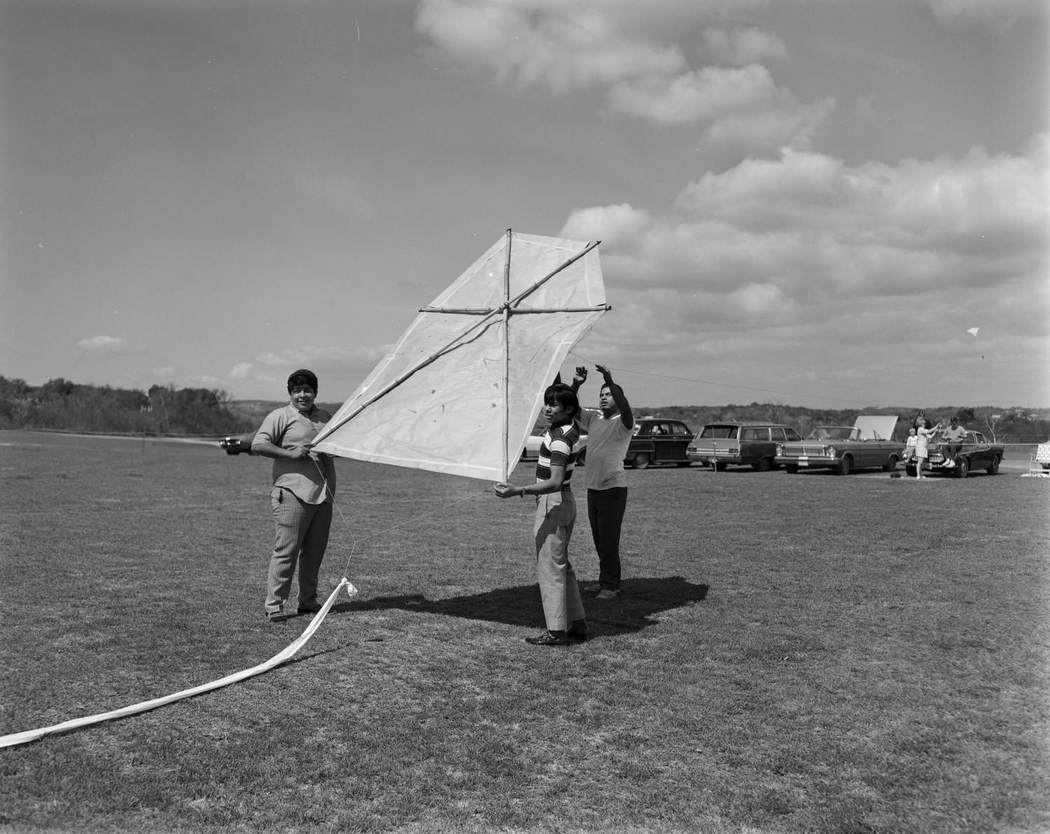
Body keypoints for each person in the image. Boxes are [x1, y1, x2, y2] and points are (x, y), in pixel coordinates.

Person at [494, 384, 587, 646]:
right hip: (564, 502)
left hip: (554, 502)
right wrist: (574, 385)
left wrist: (518, 490)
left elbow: (555, 481)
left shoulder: (559, 438)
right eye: (547, 402)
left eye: (554, 404)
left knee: (550, 568)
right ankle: (577, 623)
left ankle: (556, 631)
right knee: (562, 566)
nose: (547, 407)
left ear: (568, 409)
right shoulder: (568, 428)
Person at [251, 369, 337, 621]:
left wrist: (330, 452)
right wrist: (291, 453)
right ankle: (274, 605)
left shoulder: (325, 417)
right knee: (286, 550)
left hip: (323, 495)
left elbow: (338, 448)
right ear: (290, 393)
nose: (303, 395)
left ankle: (308, 602)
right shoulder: (280, 416)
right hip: (291, 493)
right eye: (297, 390)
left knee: (314, 552)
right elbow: (258, 444)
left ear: (315, 392)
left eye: (307, 390)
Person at [571, 364, 634, 601]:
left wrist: (609, 378)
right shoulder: (594, 417)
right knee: (599, 540)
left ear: (618, 398)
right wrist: (576, 384)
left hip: (613, 489)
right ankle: (604, 581)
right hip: (593, 488)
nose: (604, 398)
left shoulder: (624, 421)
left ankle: (611, 586)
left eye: (609, 394)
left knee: (608, 540)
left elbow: (625, 406)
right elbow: (571, 408)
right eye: (601, 394)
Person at [913, 416, 941, 480]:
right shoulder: (920, 429)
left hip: (924, 447)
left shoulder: (923, 430)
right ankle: (918, 475)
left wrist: (935, 431)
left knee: (921, 462)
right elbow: (929, 431)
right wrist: (936, 426)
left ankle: (921, 475)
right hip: (920, 447)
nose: (924, 421)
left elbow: (930, 436)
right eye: (922, 420)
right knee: (919, 461)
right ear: (921, 422)